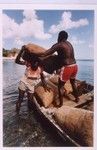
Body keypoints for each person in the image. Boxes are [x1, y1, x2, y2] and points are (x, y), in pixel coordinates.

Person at [38, 30, 79, 106]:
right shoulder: (69, 44)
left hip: (68, 67)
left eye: (58, 36)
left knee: (60, 86)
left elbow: (45, 53)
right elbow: (63, 56)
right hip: (75, 66)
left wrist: (36, 55)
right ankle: (77, 98)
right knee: (73, 83)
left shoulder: (59, 44)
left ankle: (60, 105)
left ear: (60, 36)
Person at [15, 46, 47, 113]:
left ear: (38, 63)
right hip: (23, 82)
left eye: (36, 64)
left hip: (31, 84)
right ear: (31, 62)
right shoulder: (28, 63)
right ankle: (17, 114)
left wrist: (45, 87)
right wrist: (21, 51)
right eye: (33, 64)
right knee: (20, 99)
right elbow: (17, 61)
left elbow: (43, 78)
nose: (34, 66)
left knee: (30, 101)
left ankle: (29, 115)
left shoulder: (40, 68)